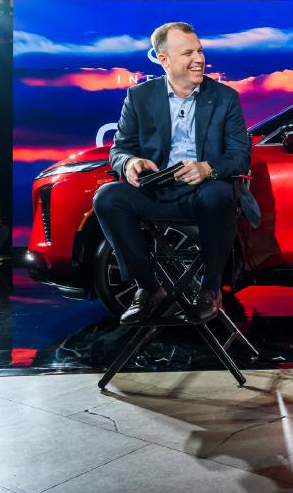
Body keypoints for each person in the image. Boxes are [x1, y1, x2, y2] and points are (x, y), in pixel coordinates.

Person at [93, 22, 251, 324]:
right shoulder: (139, 97)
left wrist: (207, 168)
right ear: (164, 59)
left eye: (200, 51)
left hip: (203, 191)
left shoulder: (225, 98)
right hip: (157, 190)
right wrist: (129, 164)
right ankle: (149, 288)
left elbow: (240, 157)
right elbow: (119, 150)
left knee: (218, 195)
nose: (199, 59)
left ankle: (210, 289)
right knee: (107, 197)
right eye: (188, 53)